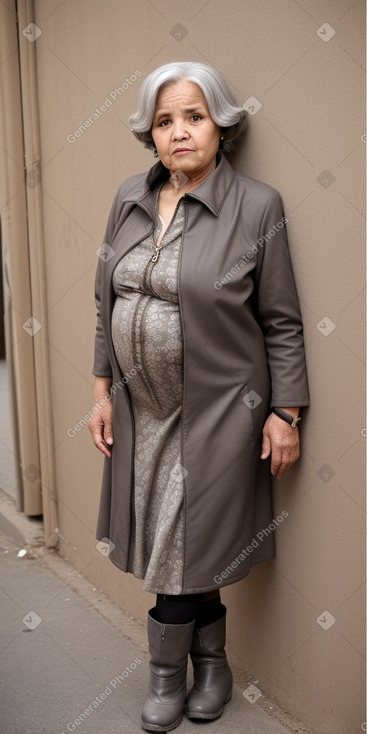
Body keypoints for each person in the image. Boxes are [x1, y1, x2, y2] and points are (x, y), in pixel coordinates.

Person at [89, 61, 309, 732]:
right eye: (163, 121)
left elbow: (281, 320)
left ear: (221, 123)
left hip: (217, 412)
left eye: (193, 116)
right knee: (181, 546)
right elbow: (108, 304)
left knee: (181, 545)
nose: (178, 132)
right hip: (141, 409)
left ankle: (169, 674)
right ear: (148, 135)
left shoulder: (257, 207)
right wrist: (101, 389)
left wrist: (285, 412)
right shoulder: (128, 196)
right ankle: (211, 664)